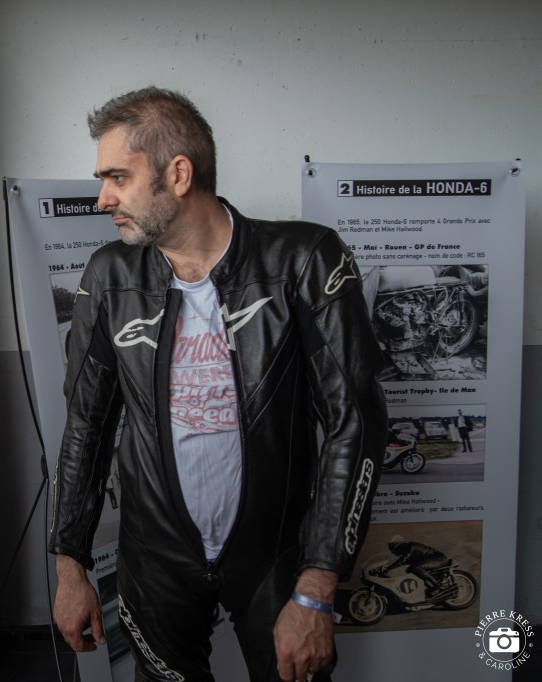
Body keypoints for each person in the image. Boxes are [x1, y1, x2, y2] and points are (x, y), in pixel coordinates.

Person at [48, 87, 387, 682]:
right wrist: (69, 565)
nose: (103, 199)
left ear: (178, 174)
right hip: (155, 558)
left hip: (276, 553)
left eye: (118, 178)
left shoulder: (303, 260)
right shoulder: (110, 276)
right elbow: (86, 427)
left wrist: (317, 585)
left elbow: (353, 422)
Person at [379, 536, 451, 596]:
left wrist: (388, 569)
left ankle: (437, 584)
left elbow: (402, 561)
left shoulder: (410, 547)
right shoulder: (407, 550)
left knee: (416, 567)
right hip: (434, 559)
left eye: (393, 550)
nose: (393, 553)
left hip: (438, 559)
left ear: (397, 546)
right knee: (410, 570)